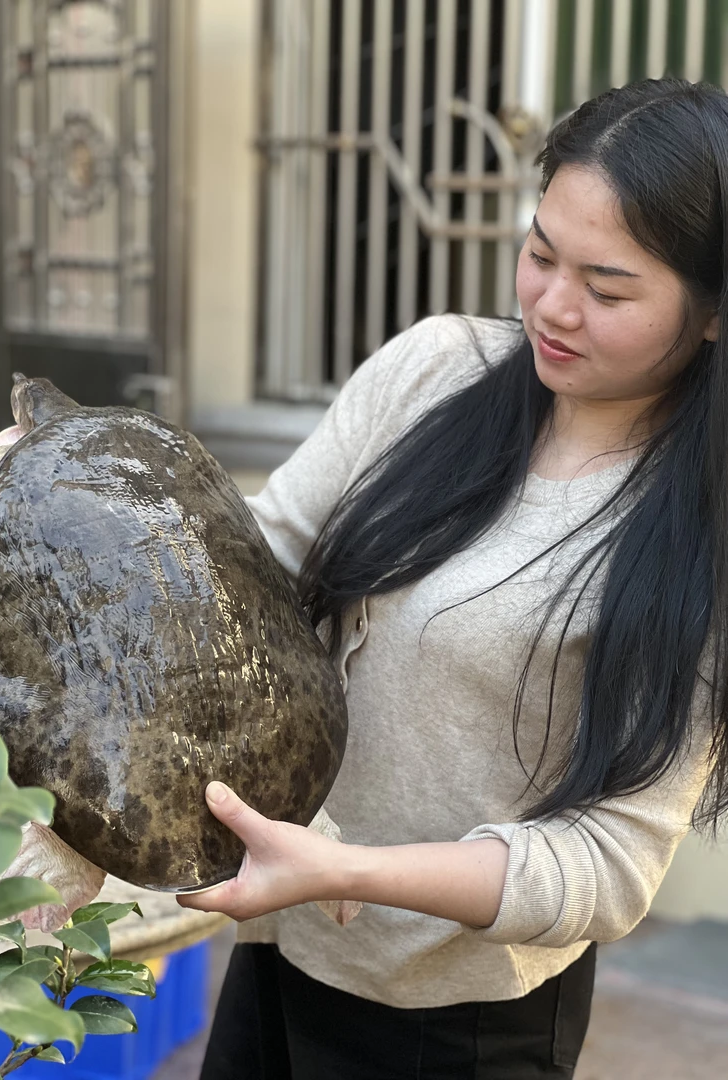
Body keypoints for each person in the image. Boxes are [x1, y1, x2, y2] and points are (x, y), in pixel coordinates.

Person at [177, 77, 728, 1079]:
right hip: (285, 947)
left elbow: (609, 865)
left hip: (462, 1023)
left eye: (608, 288)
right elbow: (252, 563)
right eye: (539, 253)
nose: (553, 306)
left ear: (712, 315)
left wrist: (344, 869)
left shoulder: (697, 538)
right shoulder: (432, 372)